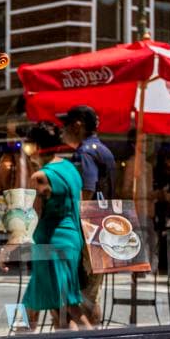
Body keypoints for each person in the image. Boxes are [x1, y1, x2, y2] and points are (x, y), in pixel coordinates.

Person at [0, 121, 92, 332]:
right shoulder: (71, 170)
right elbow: (79, 208)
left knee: (63, 304)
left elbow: (31, 218)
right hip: (70, 241)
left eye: (27, 145)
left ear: (35, 147)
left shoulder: (40, 176)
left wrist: (8, 247)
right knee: (60, 303)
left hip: (51, 244)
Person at [57, 105, 115, 324]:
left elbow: (86, 191)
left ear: (78, 125)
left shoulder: (85, 152)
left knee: (79, 295)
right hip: (104, 228)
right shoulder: (102, 149)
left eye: (66, 125)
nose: (62, 130)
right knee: (92, 295)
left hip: (87, 230)